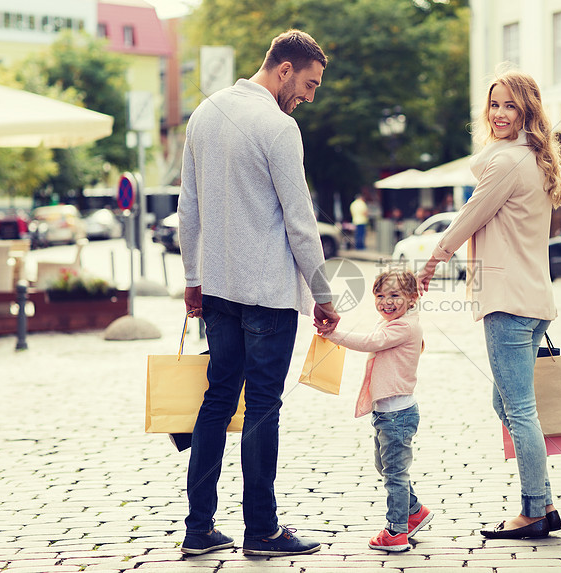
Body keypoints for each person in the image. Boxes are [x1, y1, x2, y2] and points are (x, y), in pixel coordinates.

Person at [178, 29, 340, 557]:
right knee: (263, 407)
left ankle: (198, 529)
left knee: (217, 400)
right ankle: (263, 530)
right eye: (310, 83)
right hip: (269, 295)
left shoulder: (205, 114)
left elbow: (189, 210)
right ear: (285, 68)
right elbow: (300, 221)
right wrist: (323, 293)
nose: (309, 96)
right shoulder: (278, 126)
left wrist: (192, 280)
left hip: (219, 292)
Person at [417, 70, 561, 540]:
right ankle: (542, 500)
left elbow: (469, 217)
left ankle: (533, 511)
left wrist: (432, 261)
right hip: (532, 298)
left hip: (507, 301)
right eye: (495, 105)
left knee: (518, 408)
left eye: (510, 107)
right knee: (507, 404)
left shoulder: (506, 163)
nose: (500, 114)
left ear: (527, 112)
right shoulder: (531, 160)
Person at [316, 269, 432, 552]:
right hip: (387, 414)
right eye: (380, 295)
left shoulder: (403, 327)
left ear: (413, 298)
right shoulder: (392, 323)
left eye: (395, 295)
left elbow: (370, 343)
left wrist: (334, 335)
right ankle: (414, 511)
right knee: (385, 466)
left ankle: (396, 531)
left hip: (397, 415)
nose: (386, 302)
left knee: (394, 473)